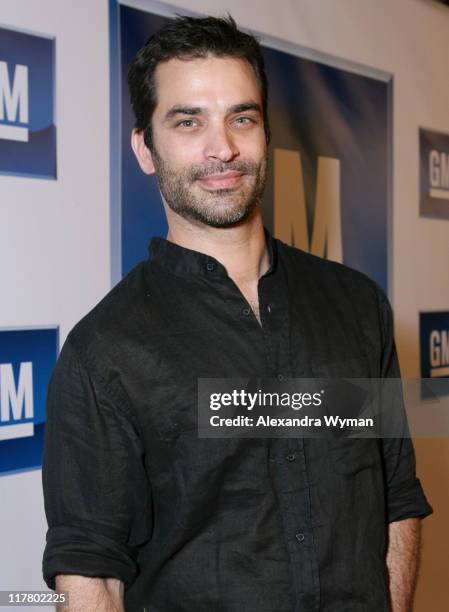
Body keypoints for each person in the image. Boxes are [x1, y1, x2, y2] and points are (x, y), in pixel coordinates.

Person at [42, 14, 432, 612]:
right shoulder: (105, 351)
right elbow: (91, 573)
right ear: (144, 149)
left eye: (241, 118)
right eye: (188, 121)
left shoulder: (356, 305)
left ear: (267, 135)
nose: (221, 147)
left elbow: (395, 496)